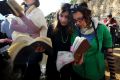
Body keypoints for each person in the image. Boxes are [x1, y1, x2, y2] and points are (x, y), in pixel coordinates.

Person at [70, 4, 116, 80]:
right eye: (74, 20)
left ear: (87, 16)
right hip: (77, 72)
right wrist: (75, 58)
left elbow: (109, 53)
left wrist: (113, 76)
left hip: (96, 74)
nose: (77, 23)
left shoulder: (101, 28)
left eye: (80, 19)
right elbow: (72, 48)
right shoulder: (74, 30)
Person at [46, 3, 74, 80]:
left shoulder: (73, 29)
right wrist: (43, 49)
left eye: (66, 17)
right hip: (52, 63)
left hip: (67, 64)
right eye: (61, 16)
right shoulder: (51, 28)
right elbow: (48, 48)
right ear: (58, 15)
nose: (63, 19)